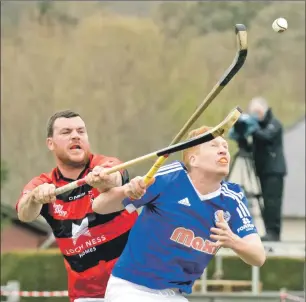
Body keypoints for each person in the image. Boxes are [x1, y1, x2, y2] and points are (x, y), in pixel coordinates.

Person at [91, 126, 266, 302]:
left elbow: (258, 256)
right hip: (131, 288)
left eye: (225, 147)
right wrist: (128, 190)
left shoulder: (232, 199)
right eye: (214, 145)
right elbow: (99, 206)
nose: (223, 150)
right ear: (193, 159)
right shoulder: (171, 177)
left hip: (174, 295)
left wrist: (233, 240)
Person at [16, 110, 138, 302]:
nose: (75, 135)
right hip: (87, 296)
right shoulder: (44, 182)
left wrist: (103, 179)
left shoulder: (105, 164)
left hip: (133, 285)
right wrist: (35, 198)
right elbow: (25, 214)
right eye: (66, 132)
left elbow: (115, 178)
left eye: (81, 131)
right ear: (50, 143)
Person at [248, 97, 287, 241]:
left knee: (272, 202)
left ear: (264, 110)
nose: (255, 116)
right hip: (263, 170)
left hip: (274, 170)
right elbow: (253, 146)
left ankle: (274, 232)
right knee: (265, 201)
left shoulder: (274, 124)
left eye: (257, 112)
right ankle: (269, 231)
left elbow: (266, 137)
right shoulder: (258, 127)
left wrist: (251, 127)